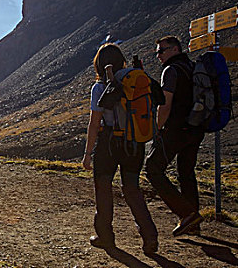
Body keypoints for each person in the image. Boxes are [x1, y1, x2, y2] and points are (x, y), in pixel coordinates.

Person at [82, 43, 158, 254]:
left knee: (103, 187)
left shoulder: (100, 87)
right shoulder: (137, 81)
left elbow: (95, 123)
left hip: (109, 143)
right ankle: (150, 235)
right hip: (135, 142)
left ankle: (105, 237)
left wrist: (88, 154)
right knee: (132, 189)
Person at [145, 35, 205, 236]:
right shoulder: (192, 67)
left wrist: (156, 129)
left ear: (174, 50)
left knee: (153, 168)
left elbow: (165, 103)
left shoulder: (171, 71)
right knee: (186, 173)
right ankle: (193, 222)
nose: (158, 55)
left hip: (176, 129)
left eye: (161, 51)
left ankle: (186, 214)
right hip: (196, 129)